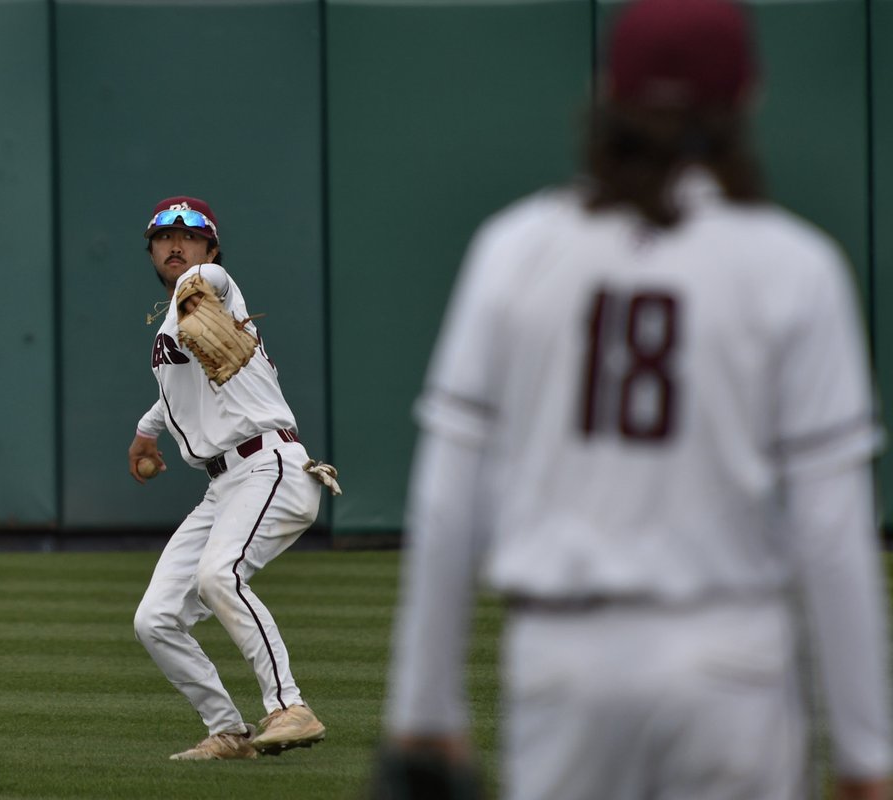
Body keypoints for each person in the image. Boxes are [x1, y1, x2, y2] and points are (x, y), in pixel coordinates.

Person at [375, 0, 892, 798]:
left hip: (563, 659)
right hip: (730, 661)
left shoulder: (514, 250)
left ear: (604, 96)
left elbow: (448, 501)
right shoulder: (796, 266)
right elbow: (832, 528)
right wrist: (865, 756)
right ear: (747, 98)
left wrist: (423, 708)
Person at [129, 196, 338, 761]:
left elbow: (208, 279)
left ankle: (289, 707)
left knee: (219, 574)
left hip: (271, 466)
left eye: (189, 236)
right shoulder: (174, 322)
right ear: (149, 249)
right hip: (224, 484)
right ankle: (229, 731)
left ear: (211, 247)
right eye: (163, 237)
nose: (176, 245)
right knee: (156, 619)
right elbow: (174, 390)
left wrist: (199, 279)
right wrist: (146, 433)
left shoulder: (212, 286)